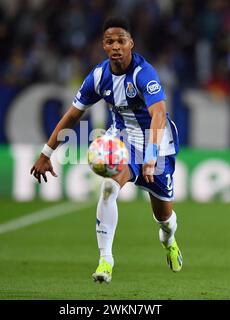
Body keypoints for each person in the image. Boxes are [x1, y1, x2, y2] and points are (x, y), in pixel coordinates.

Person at [30, 17, 182, 283]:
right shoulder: (99, 76)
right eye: (110, 41)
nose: (116, 46)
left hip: (157, 145)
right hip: (122, 141)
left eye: (121, 41)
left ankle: (168, 240)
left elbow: (158, 114)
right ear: (103, 45)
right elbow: (72, 116)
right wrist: (46, 153)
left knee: (164, 217)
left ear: (131, 43)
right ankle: (105, 261)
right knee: (110, 187)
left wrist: (151, 155)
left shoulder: (144, 73)